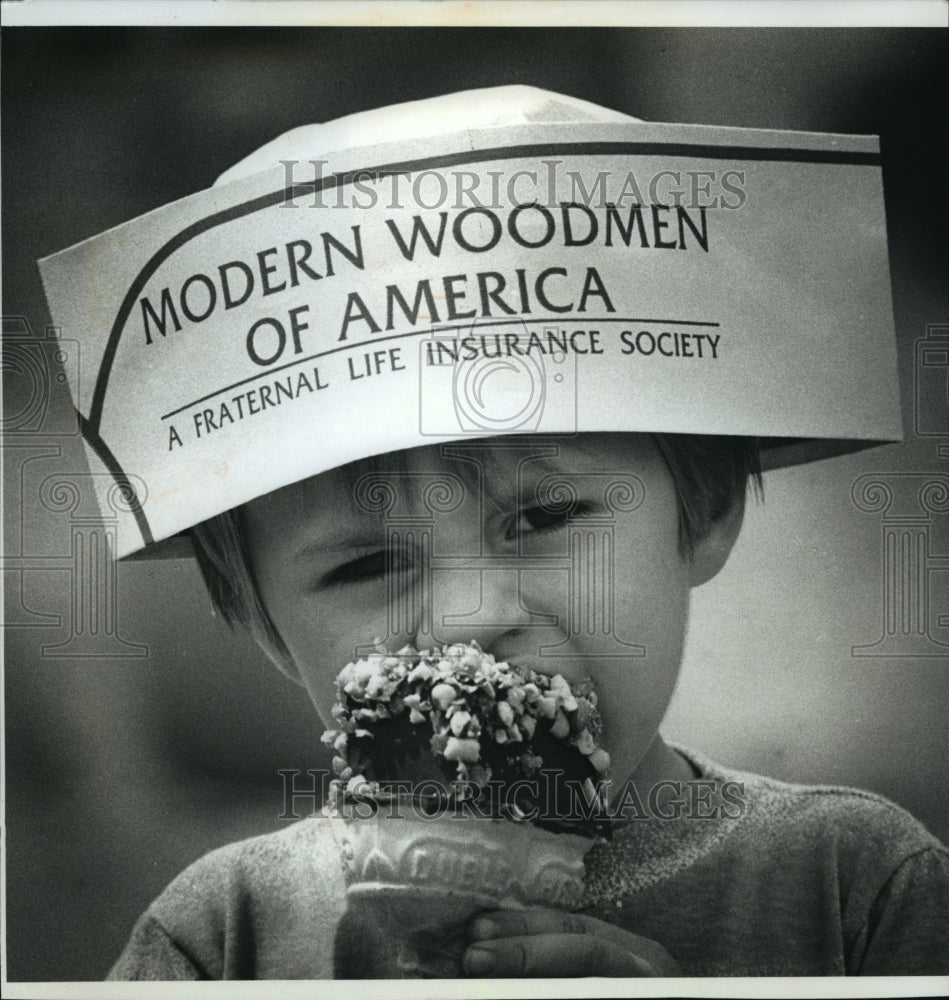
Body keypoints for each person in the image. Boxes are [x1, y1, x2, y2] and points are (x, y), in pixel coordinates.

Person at [40, 86, 946, 979]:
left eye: (543, 517)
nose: (468, 621)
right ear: (269, 628)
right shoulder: (222, 935)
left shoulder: (858, 885)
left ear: (701, 516)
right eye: (367, 564)